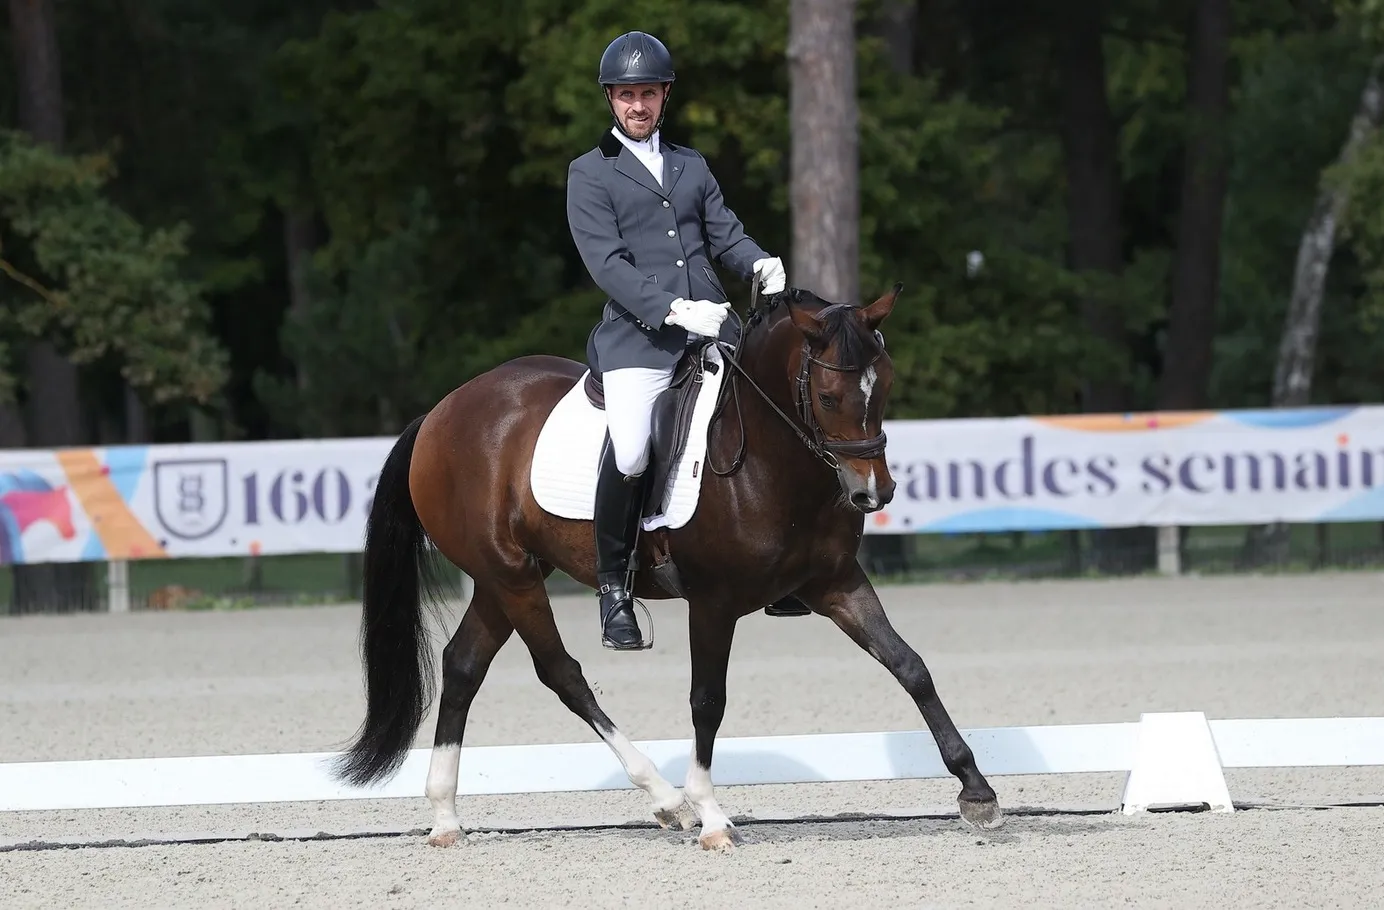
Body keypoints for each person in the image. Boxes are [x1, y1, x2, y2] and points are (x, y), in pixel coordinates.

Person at [565, 30, 795, 651]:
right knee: (635, 445)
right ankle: (614, 586)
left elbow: (724, 233)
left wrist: (757, 262)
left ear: (664, 95)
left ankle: (783, 569)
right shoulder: (589, 174)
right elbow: (607, 264)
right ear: (611, 100)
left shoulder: (691, 164)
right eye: (625, 95)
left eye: (647, 94)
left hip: (715, 326)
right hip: (639, 340)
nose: (636, 106)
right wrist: (671, 309)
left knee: (774, 414)